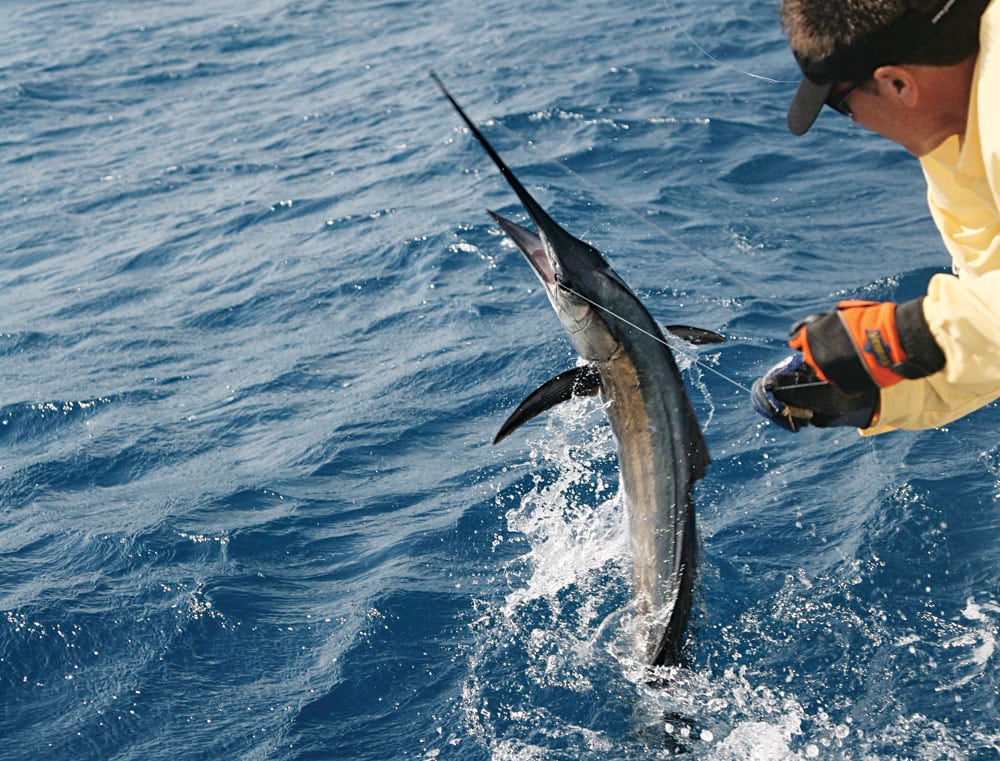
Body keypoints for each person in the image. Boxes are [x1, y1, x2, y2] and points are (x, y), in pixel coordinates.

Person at [751, 0, 1000, 435]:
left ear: (898, 84)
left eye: (841, 104)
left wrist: (897, 337)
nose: (856, 123)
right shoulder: (950, 134)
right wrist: (874, 389)